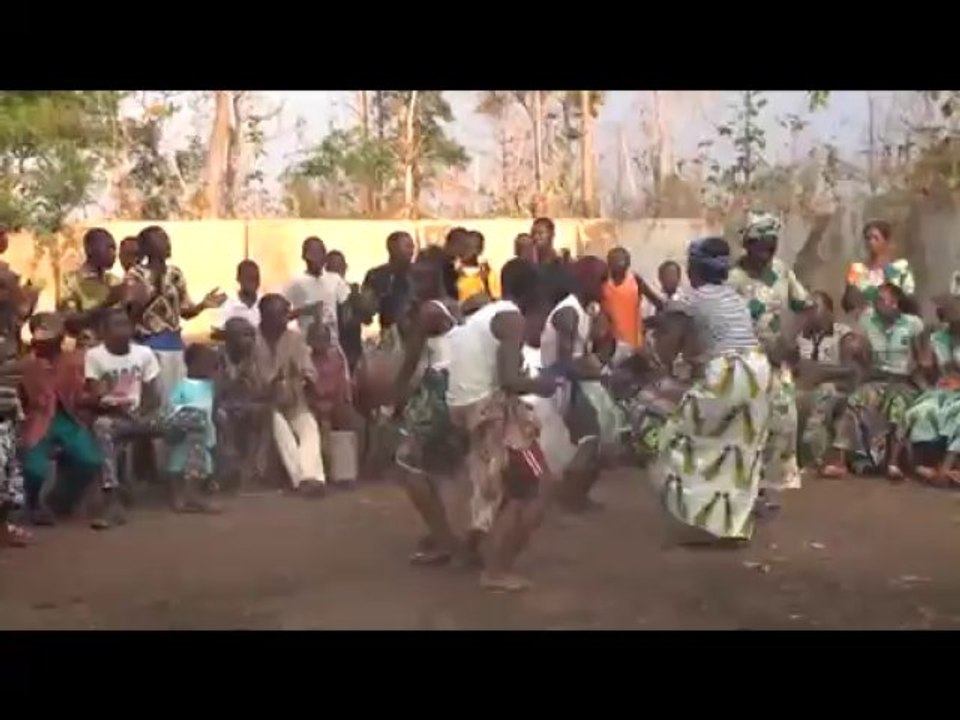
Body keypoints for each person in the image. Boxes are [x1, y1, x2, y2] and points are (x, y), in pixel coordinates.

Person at [447, 258, 559, 591]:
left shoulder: (488, 315)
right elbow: (511, 380)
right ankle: (497, 569)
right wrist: (544, 384)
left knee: (504, 484)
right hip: (490, 413)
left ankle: (471, 551)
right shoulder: (512, 319)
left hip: (469, 409)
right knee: (540, 486)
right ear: (535, 292)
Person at [652, 237, 773, 546]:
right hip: (758, 371)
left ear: (694, 268)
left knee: (675, 439)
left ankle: (697, 515)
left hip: (727, 373)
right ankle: (732, 527)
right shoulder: (734, 297)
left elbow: (669, 348)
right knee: (737, 450)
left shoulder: (688, 298)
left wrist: (657, 365)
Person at [728, 211, 811, 502]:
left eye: (772, 246)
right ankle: (745, 483)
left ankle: (773, 483)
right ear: (748, 244)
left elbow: (805, 306)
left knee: (783, 418)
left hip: (776, 359)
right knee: (745, 419)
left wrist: (789, 339)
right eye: (761, 246)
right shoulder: (733, 278)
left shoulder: (782, 272)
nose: (767, 252)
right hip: (743, 359)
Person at [392, 250, 463, 565]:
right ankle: (443, 533)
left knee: (408, 465)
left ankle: (445, 540)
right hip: (454, 388)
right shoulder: (454, 307)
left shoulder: (428, 313)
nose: (416, 279)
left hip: (435, 391)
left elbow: (409, 363)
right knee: (430, 468)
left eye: (423, 275)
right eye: (415, 275)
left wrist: (395, 402)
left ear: (438, 276)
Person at [542, 256, 622, 511]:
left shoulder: (585, 311)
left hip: (576, 381)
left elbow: (593, 351)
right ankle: (569, 496)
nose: (603, 287)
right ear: (584, 281)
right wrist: (598, 373)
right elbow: (565, 363)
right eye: (600, 281)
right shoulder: (568, 313)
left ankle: (575, 494)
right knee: (591, 437)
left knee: (607, 433)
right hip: (560, 384)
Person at [824, 283, 924, 480]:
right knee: (855, 400)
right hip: (876, 379)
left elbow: (920, 358)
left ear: (895, 303)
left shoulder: (913, 325)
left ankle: (893, 463)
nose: (876, 304)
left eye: (881, 299)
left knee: (898, 403)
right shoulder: (867, 320)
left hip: (903, 381)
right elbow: (859, 349)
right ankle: (840, 460)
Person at [125, 225, 226, 406]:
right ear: (147, 247)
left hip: (174, 345)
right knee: (154, 401)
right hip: (149, 346)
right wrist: (153, 286)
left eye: (166, 238)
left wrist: (203, 305)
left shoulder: (175, 274)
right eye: (161, 239)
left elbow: (185, 312)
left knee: (175, 400)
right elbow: (132, 314)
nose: (167, 243)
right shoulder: (136, 274)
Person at [19, 313, 102, 526]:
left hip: (69, 419)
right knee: (34, 468)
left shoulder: (76, 361)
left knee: (89, 460)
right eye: (40, 341)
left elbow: (87, 391)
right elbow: (21, 400)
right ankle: (33, 504)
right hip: (37, 421)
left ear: (60, 339)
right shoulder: (26, 366)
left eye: (50, 341)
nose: (44, 345)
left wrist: (91, 400)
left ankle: (60, 501)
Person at [255, 294, 325, 495]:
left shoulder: (294, 339)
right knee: (279, 426)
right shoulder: (252, 340)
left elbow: (308, 370)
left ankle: (310, 477)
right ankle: (303, 478)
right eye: (280, 315)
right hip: (264, 403)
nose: (287, 319)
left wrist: (308, 379)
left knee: (309, 426)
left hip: (293, 399)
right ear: (265, 317)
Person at [900, 295, 960, 485]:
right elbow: (919, 372)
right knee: (924, 410)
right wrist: (926, 389)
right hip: (942, 391)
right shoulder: (936, 338)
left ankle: (947, 467)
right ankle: (923, 465)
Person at [794, 291, 856, 467]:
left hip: (836, 388)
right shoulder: (802, 336)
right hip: (806, 387)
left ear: (829, 310)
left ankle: (819, 456)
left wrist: (821, 372)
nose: (810, 312)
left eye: (815, 308)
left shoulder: (844, 334)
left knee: (823, 394)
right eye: (807, 309)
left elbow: (850, 370)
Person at [306, 320, 365, 482]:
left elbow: (342, 387)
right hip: (313, 406)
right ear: (309, 340)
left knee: (354, 422)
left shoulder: (337, 359)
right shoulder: (304, 360)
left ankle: (346, 471)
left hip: (335, 403)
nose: (320, 342)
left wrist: (341, 405)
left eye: (324, 338)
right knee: (318, 426)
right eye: (316, 338)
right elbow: (306, 391)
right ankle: (323, 473)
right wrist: (318, 406)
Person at [215, 317, 270, 492]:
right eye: (244, 336)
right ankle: (226, 472)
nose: (250, 341)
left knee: (265, 413)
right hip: (221, 405)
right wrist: (239, 374)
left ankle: (254, 470)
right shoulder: (218, 357)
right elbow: (216, 391)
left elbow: (261, 391)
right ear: (230, 338)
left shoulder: (256, 357)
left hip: (245, 404)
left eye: (251, 336)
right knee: (223, 417)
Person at [166, 344, 219, 511]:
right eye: (207, 362)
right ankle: (179, 498)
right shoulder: (184, 385)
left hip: (203, 437)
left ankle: (194, 496)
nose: (210, 367)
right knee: (177, 467)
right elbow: (174, 407)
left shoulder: (211, 386)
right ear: (192, 364)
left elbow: (213, 410)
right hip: (184, 435)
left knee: (200, 468)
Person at [60, 228, 128, 348]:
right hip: (89, 351)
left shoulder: (114, 281)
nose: (114, 254)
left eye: (114, 249)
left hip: (116, 352)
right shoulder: (71, 281)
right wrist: (105, 304)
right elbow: (69, 322)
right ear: (90, 249)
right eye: (109, 248)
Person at [286, 236, 352, 346]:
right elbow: (282, 316)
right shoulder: (295, 282)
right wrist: (306, 311)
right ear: (304, 256)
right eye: (312, 253)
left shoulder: (335, 280)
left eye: (321, 253)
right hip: (306, 345)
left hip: (332, 344)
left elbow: (348, 309)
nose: (317, 257)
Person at [844, 220, 916, 317]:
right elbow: (848, 303)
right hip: (865, 322)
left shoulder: (900, 268)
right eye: (868, 238)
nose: (871, 242)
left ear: (886, 241)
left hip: (895, 321)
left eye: (875, 238)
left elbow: (909, 299)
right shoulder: (857, 270)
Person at [361, 231, 417, 350]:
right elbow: (367, 316)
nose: (411, 251)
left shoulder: (420, 273)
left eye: (412, 246)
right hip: (391, 338)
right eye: (407, 246)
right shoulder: (376, 275)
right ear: (392, 248)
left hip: (418, 336)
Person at [601, 246, 663, 351]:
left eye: (621, 260)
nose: (618, 264)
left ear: (628, 263)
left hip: (634, 343)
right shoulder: (603, 283)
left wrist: (647, 323)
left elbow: (658, 303)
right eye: (613, 260)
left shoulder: (635, 280)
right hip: (610, 346)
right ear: (608, 263)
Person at [325, 251, 364, 372]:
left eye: (339, 268)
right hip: (329, 352)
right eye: (333, 269)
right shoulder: (321, 293)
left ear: (345, 268)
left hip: (352, 350)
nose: (337, 272)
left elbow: (364, 318)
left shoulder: (352, 291)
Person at [211, 260, 261, 341]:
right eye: (249, 278)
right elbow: (215, 334)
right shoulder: (226, 303)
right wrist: (238, 334)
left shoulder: (264, 304)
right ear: (238, 279)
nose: (253, 282)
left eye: (256, 278)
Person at [456, 230, 500, 308]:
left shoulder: (490, 274)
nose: (466, 251)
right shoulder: (452, 273)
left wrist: (485, 282)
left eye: (472, 247)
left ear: (480, 250)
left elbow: (495, 303)